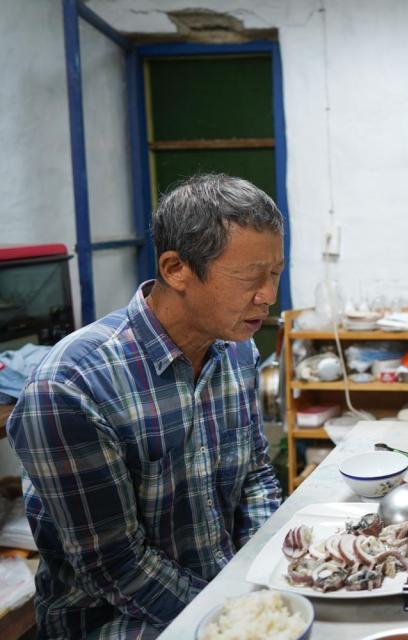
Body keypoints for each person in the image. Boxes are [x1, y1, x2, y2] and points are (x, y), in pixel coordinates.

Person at [8, 173, 285, 639]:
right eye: (249, 278)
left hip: (225, 597)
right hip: (121, 622)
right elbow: (116, 565)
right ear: (176, 269)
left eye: (275, 273)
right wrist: (231, 620)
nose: (269, 295)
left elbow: (254, 474)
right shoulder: (71, 387)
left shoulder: (236, 349)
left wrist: (259, 578)